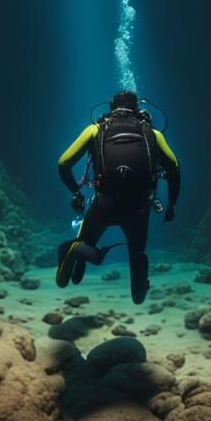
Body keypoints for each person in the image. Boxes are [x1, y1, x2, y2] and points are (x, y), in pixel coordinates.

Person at [54, 89, 179, 304]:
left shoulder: (95, 129)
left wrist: (76, 192)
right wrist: (171, 207)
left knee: (85, 242)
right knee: (137, 259)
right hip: (138, 207)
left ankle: (80, 250)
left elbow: (63, 163)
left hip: (104, 201)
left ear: (111, 107)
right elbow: (175, 169)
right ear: (137, 110)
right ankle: (138, 293)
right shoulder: (153, 134)